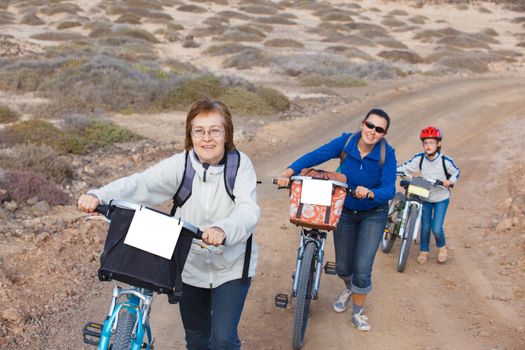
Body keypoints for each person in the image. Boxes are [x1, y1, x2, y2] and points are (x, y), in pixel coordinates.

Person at [77, 98, 260, 350]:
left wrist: (222, 230)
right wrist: (99, 195)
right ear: (190, 135)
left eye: (215, 130)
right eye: (199, 131)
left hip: (231, 265)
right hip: (189, 264)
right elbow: (142, 184)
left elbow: (247, 210)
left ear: (226, 133)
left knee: (222, 339)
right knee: (196, 339)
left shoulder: (240, 166)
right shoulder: (182, 163)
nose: (207, 138)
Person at [277, 109, 396, 331]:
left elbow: (389, 188)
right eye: (370, 125)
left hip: (374, 212)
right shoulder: (346, 142)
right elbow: (316, 155)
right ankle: (349, 287)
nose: (372, 132)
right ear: (363, 124)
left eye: (379, 129)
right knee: (343, 267)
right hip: (345, 210)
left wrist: (371, 193)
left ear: (384, 133)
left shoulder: (386, 153)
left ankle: (358, 313)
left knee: (362, 266)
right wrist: (289, 171)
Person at [396, 126, 460, 265]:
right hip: (425, 196)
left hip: (441, 198)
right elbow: (406, 167)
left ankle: (442, 248)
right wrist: (394, 170)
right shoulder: (420, 159)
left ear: (438, 144)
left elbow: (456, 172)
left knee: (436, 227)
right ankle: (423, 251)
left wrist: (450, 181)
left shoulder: (445, 161)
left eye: (431, 142)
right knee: (424, 226)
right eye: (425, 143)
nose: (428, 146)